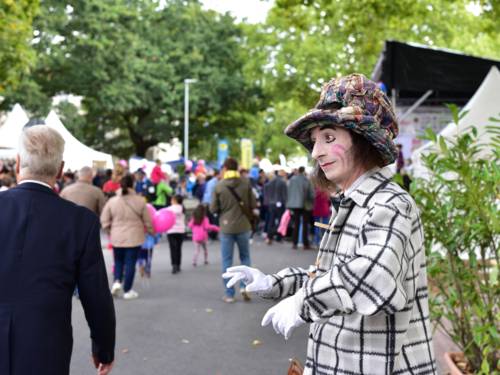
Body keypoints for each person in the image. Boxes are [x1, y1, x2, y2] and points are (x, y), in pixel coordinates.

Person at [223, 74, 436, 374]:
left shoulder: (390, 203)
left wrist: (302, 302)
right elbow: (328, 275)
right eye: (314, 141)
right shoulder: (352, 203)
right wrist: (274, 283)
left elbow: (373, 276)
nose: (316, 152)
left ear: (363, 140)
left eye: (329, 137)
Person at [0, 125, 115, 375]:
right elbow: (95, 294)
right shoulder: (79, 221)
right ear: (61, 170)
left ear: (18, 163)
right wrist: (104, 347)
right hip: (46, 345)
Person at [210, 157, 257, 303]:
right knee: (245, 258)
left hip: (226, 227)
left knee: (227, 261)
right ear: (237, 168)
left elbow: (213, 208)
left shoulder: (219, 186)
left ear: (225, 168)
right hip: (243, 226)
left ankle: (230, 294)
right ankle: (245, 287)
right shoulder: (246, 183)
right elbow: (253, 204)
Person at [101, 174, 154, 300]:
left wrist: (110, 230)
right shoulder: (140, 201)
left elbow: (104, 219)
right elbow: (148, 221)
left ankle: (117, 282)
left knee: (118, 261)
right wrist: (152, 232)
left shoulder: (112, 201)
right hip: (134, 237)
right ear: (133, 185)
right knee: (130, 263)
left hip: (116, 236)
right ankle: (127, 290)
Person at [286, 166, 314, 249]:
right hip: (305, 204)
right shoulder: (306, 180)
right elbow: (310, 194)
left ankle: (294, 243)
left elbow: (288, 192)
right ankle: (305, 244)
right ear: (304, 171)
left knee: (296, 224)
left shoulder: (292, 180)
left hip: (294, 205)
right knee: (305, 224)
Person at [166, 194, 186, 274]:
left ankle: (174, 265)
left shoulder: (169, 209)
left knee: (172, 249)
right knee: (178, 248)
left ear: (174, 200)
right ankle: (178, 265)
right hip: (180, 231)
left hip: (171, 231)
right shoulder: (182, 208)